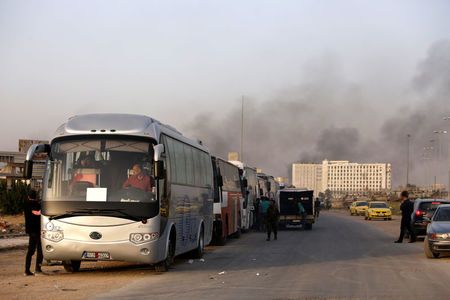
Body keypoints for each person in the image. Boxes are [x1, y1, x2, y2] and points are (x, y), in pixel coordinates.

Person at [24, 189, 43, 276]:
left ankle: (27, 270)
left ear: (28, 196)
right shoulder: (35, 205)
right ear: (35, 196)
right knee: (40, 249)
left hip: (30, 230)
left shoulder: (26, 204)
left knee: (30, 251)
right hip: (36, 230)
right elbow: (37, 213)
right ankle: (38, 269)